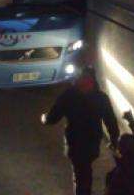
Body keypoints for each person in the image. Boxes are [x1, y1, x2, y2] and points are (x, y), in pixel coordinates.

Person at [41, 66, 120, 195]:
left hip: (75, 142)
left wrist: (44, 118)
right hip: (92, 142)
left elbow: (52, 118)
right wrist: (114, 140)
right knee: (85, 170)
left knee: (80, 174)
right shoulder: (101, 98)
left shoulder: (68, 96)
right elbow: (111, 121)